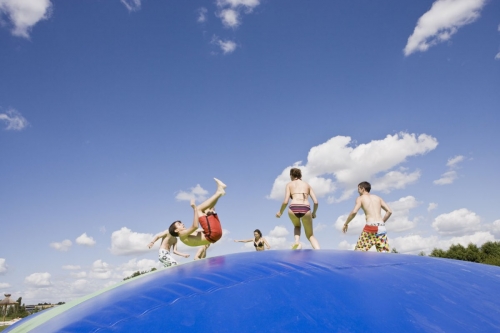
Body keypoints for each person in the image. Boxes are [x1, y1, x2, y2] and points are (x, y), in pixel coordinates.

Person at [169, 178, 226, 247]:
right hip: (212, 234)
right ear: (176, 230)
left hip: (215, 235)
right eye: (179, 224)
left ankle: (219, 192)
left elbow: (199, 233)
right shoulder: (182, 235)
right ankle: (219, 192)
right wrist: (194, 208)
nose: (182, 224)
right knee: (198, 209)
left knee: (207, 209)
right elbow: (195, 226)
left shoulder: (188, 234)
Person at [276, 168, 320, 249]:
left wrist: (280, 212)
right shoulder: (307, 185)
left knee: (297, 226)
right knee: (310, 235)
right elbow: (316, 202)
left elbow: (285, 201)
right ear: (300, 175)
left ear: (291, 175)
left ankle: (297, 242)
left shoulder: (289, 184)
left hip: (293, 207)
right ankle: (319, 251)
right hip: (305, 207)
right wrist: (314, 213)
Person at [342, 181, 393, 252]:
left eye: (358, 189)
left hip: (370, 228)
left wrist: (346, 223)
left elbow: (354, 212)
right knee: (384, 255)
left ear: (363, 189)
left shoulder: (360, 198)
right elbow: (389, 211)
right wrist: (381, 222)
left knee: (358, 252)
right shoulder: (378, 198)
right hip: (381, 228)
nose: (358, 192)